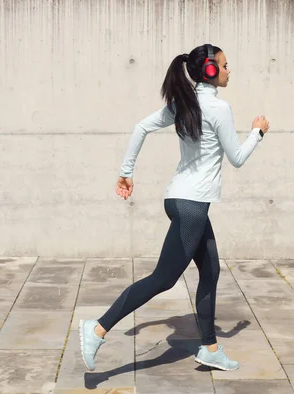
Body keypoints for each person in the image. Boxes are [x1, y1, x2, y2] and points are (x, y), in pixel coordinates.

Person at [79, 43, 270, 372]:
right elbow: (237, 158)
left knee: (210, 271)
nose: (228, 71)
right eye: (224, 66)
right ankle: (97, 328)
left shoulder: (184, 102)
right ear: (209, 71)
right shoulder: (218, 109)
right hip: (192, 206)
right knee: (163, 279)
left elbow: (141, 127)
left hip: (181, 201)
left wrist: (126, 172)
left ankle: (209, 348)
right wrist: (257, 132)